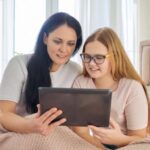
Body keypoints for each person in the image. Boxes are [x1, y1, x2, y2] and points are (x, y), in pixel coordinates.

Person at [0, 12, 100, 150]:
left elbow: (77, 126)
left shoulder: (76, 71)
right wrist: (31, 126)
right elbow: (4, 114)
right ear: (45, 38)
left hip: (57, 135)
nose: (64, 49)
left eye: (70, 44)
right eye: (57, 41)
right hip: (18, 133)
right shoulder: (19, 64)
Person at [71, 27, 150, 149]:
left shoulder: (132, 87)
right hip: (94, 145)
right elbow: (81, 132)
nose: (91, 63)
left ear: (114, 57)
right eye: (87, 56)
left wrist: (119, 139)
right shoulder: (81, 83)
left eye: (99, 57)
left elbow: (139, 138)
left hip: (129, 145)